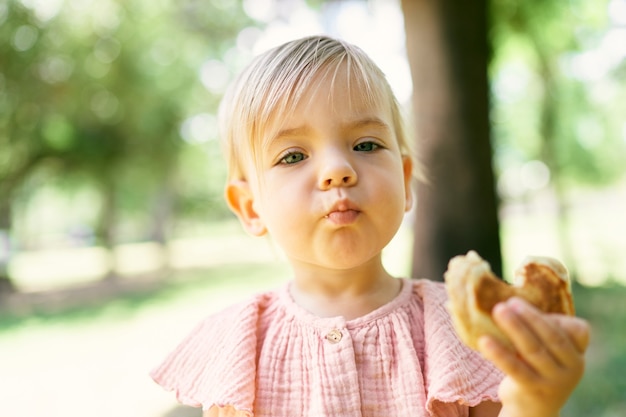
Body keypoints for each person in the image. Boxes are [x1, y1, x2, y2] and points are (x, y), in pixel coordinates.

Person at [151, 35, 589, 417]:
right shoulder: (239, 345)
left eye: (365, 144)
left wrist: (534, 403)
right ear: (250, 207)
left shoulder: (457, 330)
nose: (338, 170)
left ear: (403, 179)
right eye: (293, 155)